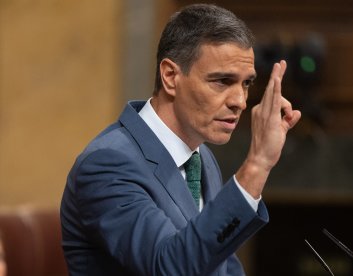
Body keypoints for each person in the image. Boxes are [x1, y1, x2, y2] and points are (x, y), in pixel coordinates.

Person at [60, 3, 301, 275]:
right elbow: (171, 266)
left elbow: (220, 267)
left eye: (246, 83)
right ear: (171, 76)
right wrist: (257, 164)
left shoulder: (201, 159)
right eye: (222, 81)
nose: (240, 101)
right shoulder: (108, 164)